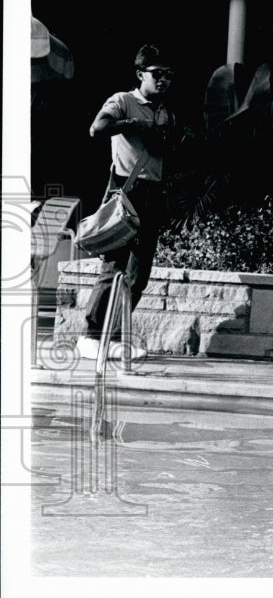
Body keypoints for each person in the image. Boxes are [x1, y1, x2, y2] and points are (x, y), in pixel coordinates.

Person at [77, 44, 177, 361]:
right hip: (126, 190)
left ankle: (116, 336)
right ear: (140, 75)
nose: (163, 80)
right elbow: (98, 128)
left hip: (154, 193)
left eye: (168, 75)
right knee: (114, 264)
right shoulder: (123, 101)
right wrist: (133, 125)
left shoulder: (165, 111)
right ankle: (91, 335)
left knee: (139, 273)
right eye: (157, 74)